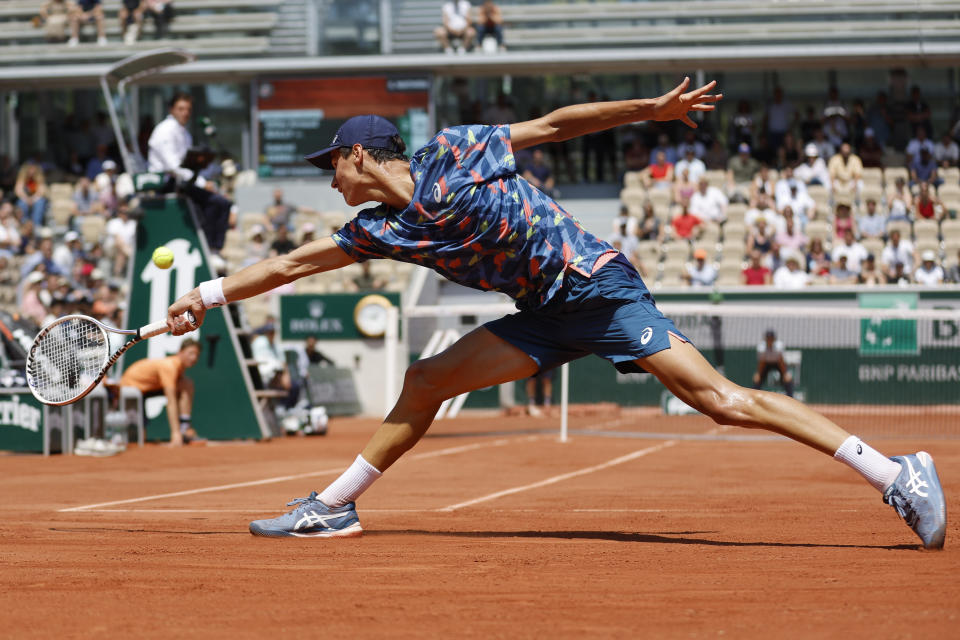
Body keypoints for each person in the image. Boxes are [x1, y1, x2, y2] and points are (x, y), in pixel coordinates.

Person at [165, 80, 946, 549]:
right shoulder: (377, 228)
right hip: (540, 313)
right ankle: (332, 510)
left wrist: (652, 108)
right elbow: (292, 263)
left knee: (722, 403)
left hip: (597, 287)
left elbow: (556, 127)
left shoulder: (455, 152)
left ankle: (894, 472)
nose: (328, 177)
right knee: (428, 377)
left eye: (332, 161)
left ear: (363, 155)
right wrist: (204, 298)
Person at [148, 93, 232, 253]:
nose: (185, 113)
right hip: (165, 184)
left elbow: (188, 164)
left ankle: (213, 249)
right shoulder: (165, 130)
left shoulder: (184, 133)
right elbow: (173, 166)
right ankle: (209, 249)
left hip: (181, 182)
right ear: (171, 109)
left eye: (188, 109)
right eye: (180, 109)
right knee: (216, 203)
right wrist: (202, 183)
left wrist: (216, 170)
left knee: (223, 203)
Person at [119, 338, 202, 446]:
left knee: (186, 384)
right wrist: (175, 434)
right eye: (190, 353)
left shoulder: (179, 368)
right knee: (138, 440)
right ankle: (178, 432)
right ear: (180, 352)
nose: (194, 358)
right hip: (131, 389)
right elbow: (171, 401)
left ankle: (184, 428)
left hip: (148, 388)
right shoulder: (170, 366)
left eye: (196, 355)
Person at [753, 329, 794, 397]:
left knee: (787, 379)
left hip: (778, 363)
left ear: (774, 339)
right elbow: (762, 362)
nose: (769, 340)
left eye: (771, 338)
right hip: (766, 364)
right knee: (757, 380)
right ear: (765, 339)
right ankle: (754, 397)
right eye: (768, 338)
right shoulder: (761, 348)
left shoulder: (779, 346)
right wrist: (759, 374)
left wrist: (785, 373)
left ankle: (791, 398)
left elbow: (781, 361)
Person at [14, 162, 49, 227]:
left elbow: (41, 192)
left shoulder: (39, 179)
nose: (31, 171)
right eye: (30, 169)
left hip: (36, 199)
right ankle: (24, 224)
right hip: (25, 199)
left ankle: (36, 225)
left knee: (40, 203)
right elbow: (18, 191)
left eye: (33, 169)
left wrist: (33, 199)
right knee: (21, 203)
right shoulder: (22, 178)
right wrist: (26, 199)